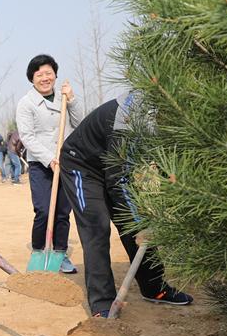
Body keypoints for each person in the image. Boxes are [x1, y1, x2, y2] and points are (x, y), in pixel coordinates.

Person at [60, 92, 194, 317]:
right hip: (81, 166)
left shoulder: (175, 108)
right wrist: (140, 224)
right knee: (97, 228)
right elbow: (118, 180)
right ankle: (102, 302)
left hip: (114, 167)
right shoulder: (130, 118)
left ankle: (155, 289)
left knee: (134, 222)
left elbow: (165, 165)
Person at [16, 54, 83, 274]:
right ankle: (38, 251)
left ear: (55, 74)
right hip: (41, 164)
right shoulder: (26, 103)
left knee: (63, 212)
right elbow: (27, 137)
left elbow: (79, 123)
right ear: (32, 78)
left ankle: (60, 254)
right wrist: (49, 159)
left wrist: (71, 99)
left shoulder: (63, 98)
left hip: (66, 162)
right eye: (39, 74)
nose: (45, 78)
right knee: (44, 210)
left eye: (49, 73)